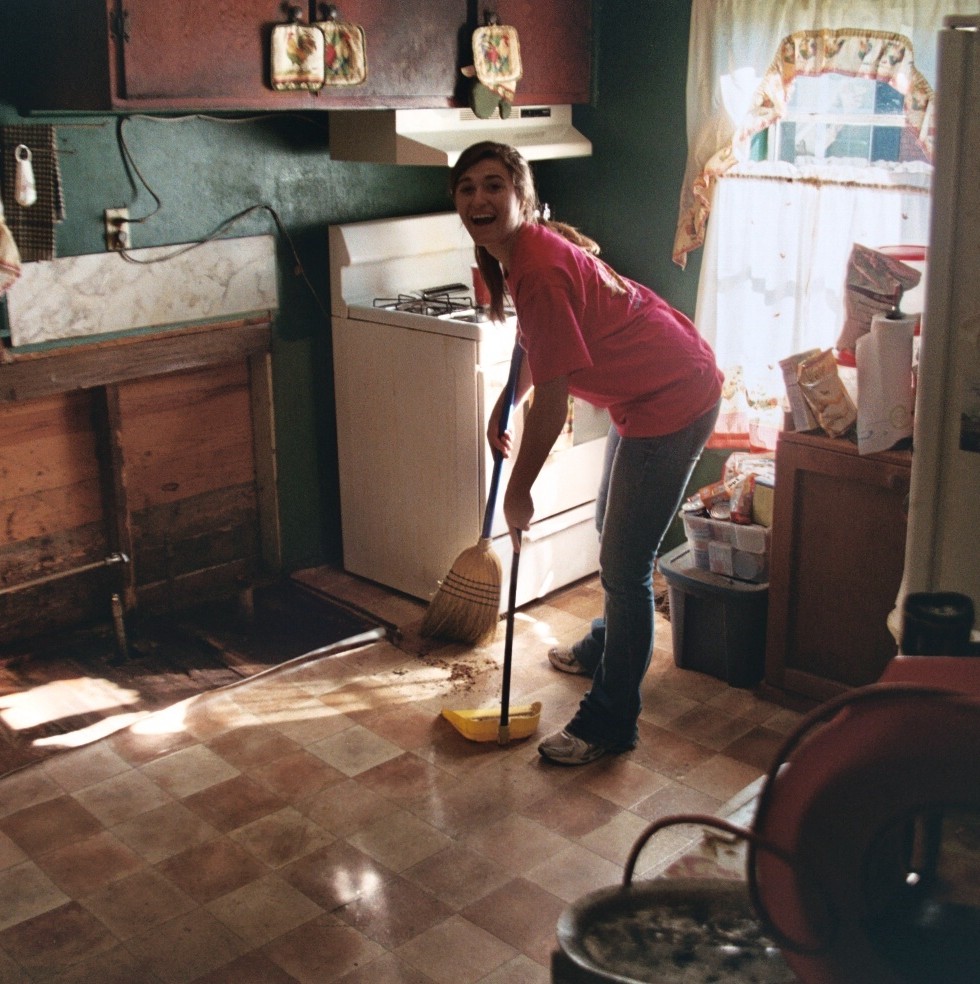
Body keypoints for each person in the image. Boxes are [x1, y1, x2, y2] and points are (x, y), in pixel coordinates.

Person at [450, 141, 723, 765]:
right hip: (651, 387)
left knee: (625, 568)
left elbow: (553, 402)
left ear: (521, 196)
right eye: (466, 189)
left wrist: (518, 492)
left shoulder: (538, 265)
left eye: (494, 185)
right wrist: (503, 402)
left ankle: (609, 722)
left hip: (671, 397)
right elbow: (539, 342)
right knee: (613, 535)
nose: (479, 199)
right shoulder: (518, 254)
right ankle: (607, 644)